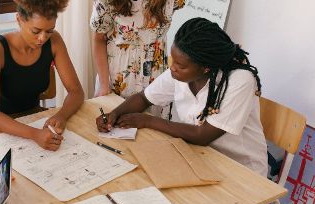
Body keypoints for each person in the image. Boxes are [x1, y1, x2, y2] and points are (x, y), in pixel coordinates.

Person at [97, 17, 268, 177]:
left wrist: (147, 121)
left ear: (206, 68)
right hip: (199, 157)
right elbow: (144, 98)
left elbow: (203, 135)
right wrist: (114, 114)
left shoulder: (240, 80)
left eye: (180, 65)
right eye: (174, 61)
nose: (172, 68)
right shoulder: (180, 73)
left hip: (241, 172)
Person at [0, 0, 84, 151]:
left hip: (34, 120)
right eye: (36, 31)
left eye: (49, 31)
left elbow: (76, 92)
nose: (42, 38)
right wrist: (35, 134)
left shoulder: (54, 42)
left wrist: (61, 116)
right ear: (19, 19)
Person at [91, 0, 185, 117]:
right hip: (119, 75)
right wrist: (104, 85)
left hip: (157, 74)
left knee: (153, 136)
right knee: (114, 129)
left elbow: (170, 12)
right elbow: (98, 40)